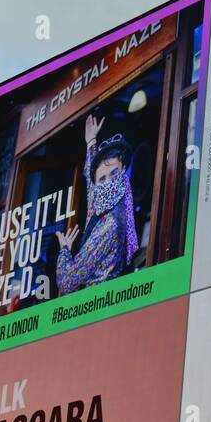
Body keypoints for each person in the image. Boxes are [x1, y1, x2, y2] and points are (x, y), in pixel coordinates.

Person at [55, 112, 140, 295]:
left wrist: (64, 251)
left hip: (96, 307)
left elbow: (68, 281)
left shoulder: (110, 222)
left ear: (123, 171)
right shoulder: (104, 202)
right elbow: (91, 181)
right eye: (102, 179)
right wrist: (91, 142)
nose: (108, 182)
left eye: (114, 175)